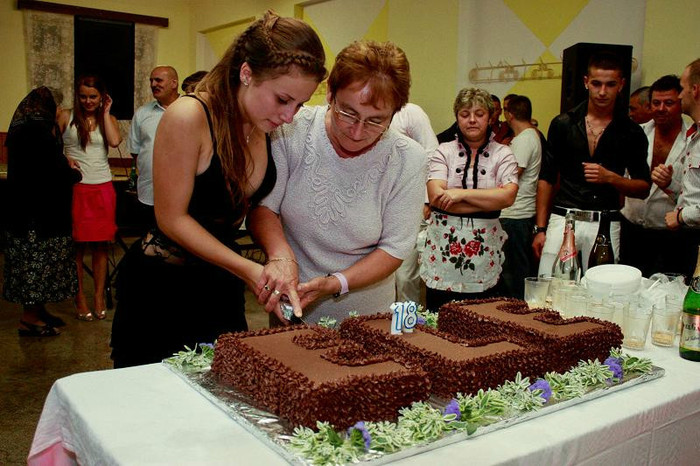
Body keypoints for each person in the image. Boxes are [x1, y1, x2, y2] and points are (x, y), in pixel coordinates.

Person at [110, 11, 327, 367]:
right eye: (283, 99)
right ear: (246, 74)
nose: (289, 116)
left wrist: (278, 258)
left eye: (300, 105)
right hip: (163, 286)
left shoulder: (262, 124)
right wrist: (249, 269)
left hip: (220, 285)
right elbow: (171, 218)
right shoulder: (189, 116)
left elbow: (258, 206)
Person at [248, 40, 426, 325]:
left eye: (376, 121)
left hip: (367, 319)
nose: (357, 132)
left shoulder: (408, 159)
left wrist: (335, 283)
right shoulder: (291, 131)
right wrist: (281, 258)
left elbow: (394, 249)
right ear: (330, 92)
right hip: (292, 305)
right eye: (348, 113)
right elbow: (263, 209)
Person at [533, 52, 650, 277]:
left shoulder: (632, 132)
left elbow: (643, 187)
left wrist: (611, 178)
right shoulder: (563, 124)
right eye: (596, 83)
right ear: (586, 82)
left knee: (601, 293)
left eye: (610, 84)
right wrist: (540, 228)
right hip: (563, 217)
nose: (603, 92)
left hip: (605, 221)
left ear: (621, 85)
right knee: (550, 289)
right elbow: (547, 177)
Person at [420, 88, 519, 311]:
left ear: (490, 116)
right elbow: (436, 196)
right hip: (443, 252)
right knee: (439, 317)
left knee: (481, 318)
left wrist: (459, 194)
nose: (472, 120)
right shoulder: (443, 151)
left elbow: (508, 196)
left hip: (484, 253)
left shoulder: (503, 154)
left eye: (479, 113)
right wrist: (488, 199)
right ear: (456, 116)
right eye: (465, 114)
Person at [3, 87, 82, 336]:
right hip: (38, 218)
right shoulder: (39, 133)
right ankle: (29, 320)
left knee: (34, 265)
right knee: (36, 266)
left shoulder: (22, 128)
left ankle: (38, 310)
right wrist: (74, 173)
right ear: (53, 109)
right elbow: (51, 173)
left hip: (24, 214)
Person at [58, 75, 122, 320]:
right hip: (77, 188)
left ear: (102, 97)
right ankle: (80, 297)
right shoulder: (65, 116)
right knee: (77, 246)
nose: (87, 101)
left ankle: (97, 296)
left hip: (103, 186)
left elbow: (115, 141)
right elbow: (51, 146)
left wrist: (106, 112)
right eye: (83, 96)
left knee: (101, 246)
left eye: (93, 96)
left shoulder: (109, 118)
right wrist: (65, 158)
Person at [621, 75, 690, 277]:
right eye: (656, 103)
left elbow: (693, 196)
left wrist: (670, 184)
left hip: (669, 235)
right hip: (630, 228)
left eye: (668, 103)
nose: (661, 109)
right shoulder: (636, 134)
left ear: (680, 103)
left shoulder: (692, 141)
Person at [652, 59, 700, 277]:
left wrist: (680, 216)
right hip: (686, 240)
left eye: (682, 88)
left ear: (695, 90)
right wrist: (669, 184)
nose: (680, 96)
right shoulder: (695, 135)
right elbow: (692, 194)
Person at [389, 102, 439, 305]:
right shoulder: (363, 112)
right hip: (376, 207)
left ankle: (409, 324)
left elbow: (431, 154)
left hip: (409, 205)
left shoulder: (410, 113)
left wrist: (427, 200)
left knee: (405, 276)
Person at [500, 95, 541, 298]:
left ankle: (516, 317)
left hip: (517, 214)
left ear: (510, 114)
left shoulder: (525, 138)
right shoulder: (527, 137)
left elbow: (513, 174)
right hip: (516, 214)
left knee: (514, 274)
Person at [128, 66, 179, 228]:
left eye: (158, 80)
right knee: (149, 241)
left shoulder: (190, 110)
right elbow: (135, 152)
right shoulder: (142, 113)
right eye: (151, 80)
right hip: (149, 192)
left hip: (181, 193)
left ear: (174, 83)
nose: (153, 84)